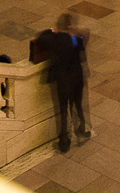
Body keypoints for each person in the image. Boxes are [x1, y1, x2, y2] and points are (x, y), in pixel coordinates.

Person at [32, 14, 90, 153]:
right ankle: (81, 131)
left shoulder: (54, 39)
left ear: (59, 26)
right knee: (77, 106)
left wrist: (53, 30)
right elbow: (85, 37)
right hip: (76, 79)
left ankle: (64, 141)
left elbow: (40, 36)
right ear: (70, 27)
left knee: (64, 110)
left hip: (63, 81)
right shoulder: (76, 40)